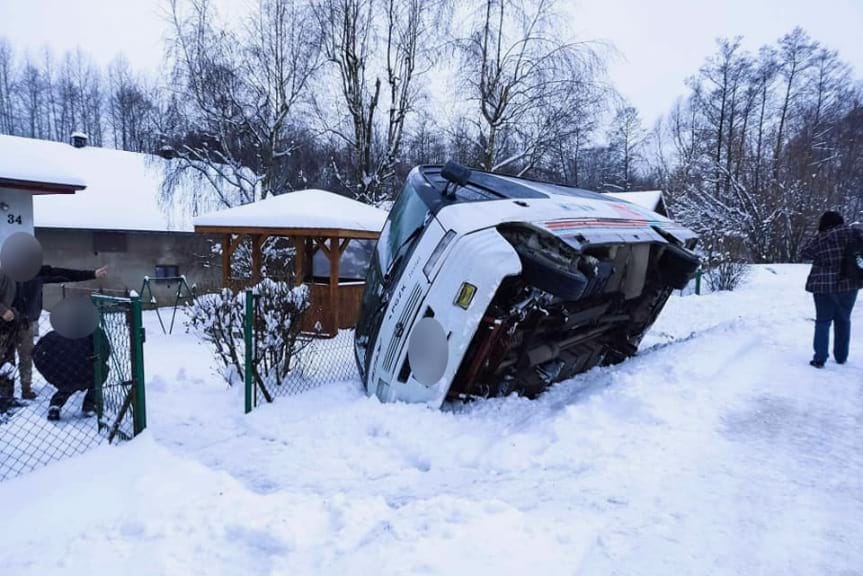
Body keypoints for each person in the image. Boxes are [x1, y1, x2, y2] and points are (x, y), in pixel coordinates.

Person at [12, 265, 108, 400]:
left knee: (26, 357)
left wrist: (92, 274)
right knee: (6, 359)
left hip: (25, 322)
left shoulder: (37, 272)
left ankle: (25, 389)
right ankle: (5, 393)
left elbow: (64, 273)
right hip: (4, 322)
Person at [800, 211, 863, 368]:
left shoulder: (821, 238)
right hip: (850, 284)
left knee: (823, 321)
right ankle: (841, 356)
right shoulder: (854, 233)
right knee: (844, 319)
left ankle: (820, 358)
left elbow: (804, 253)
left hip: (824, 286)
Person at [32, 328, 109, 421]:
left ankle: (56, 404)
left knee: (67, 384)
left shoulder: (53, 335)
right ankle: (90, 404)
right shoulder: (94, 331)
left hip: (63, 376)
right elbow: (105, 351)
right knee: (103, 370)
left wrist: (51, 376)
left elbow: (36, 354)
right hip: (87, 372)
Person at [0, 270, 18, 412]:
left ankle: (7, 398)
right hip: (3, 321)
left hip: (10, 325)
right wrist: (3, 311)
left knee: (9, 362)